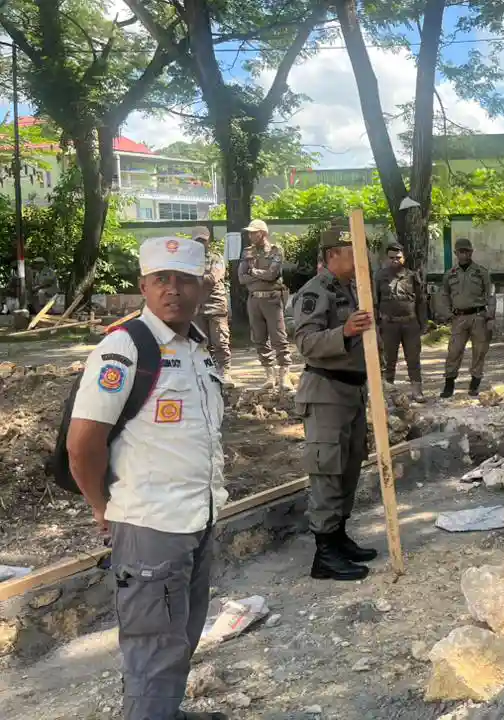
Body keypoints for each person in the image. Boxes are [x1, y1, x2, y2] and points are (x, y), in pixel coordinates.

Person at [67, 236, 228, 720]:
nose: (173, 290)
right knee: (153, 650)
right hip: (150, 524)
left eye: (184, 280)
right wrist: (102, 507)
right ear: (143, 286)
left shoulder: (199, 350)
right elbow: (82, 445)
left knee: (179, 638)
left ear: (202, 288)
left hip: (197, 520)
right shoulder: (125, 347)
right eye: (162, 280)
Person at [292, 227, 379, 582]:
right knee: (328, 470)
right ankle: (324, 554)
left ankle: (339, 537)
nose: (360, 257)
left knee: (349, 467)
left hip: (352, 392)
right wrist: (344, 332)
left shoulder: (351, 289)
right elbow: (306, 342)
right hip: (326, 392)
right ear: (332, 256)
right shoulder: (314, 292)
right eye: (351, 250)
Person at [237, 219, 292, 390]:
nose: (251, 235)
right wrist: (260, 275)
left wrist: (252, 272)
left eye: (254, 232)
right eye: (249, 232)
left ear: (263, 233)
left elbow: (272, 275)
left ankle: (285, 376)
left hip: (272, 299)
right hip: (254, 299)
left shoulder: (276, 250)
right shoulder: (247, 252)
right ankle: (269, 376)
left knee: (279, 338)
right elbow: (241, 278)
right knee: (259, 338)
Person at [440, 238, 495, 398]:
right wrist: (447, 314)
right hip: (459, 318)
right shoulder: (450, 274)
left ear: (471, 252)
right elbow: (444, 295)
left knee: (479, 351)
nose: (464, 254)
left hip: (479, 316)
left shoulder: (481, 272)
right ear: (456, 253)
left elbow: (490, 295)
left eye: (467, 251)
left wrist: (490, 316)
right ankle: (449, 385)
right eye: (461, 251)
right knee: (454, 351)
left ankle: (474, 383)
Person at [375, 242, 427, 400]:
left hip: (410, 324)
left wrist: (422, 323)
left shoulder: (412, 276)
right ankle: (387, 392)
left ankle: (417, 391)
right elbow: (374, 301)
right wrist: (376, 325)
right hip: (389, 325)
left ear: (404, 258)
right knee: (388, 360)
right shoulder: (379, 277)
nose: (394, 260)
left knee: (413, 358)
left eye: (398, 257)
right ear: (386, 258)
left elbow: (421, 301)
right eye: (391, 258)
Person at [192, 227, 232, 378]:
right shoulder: (189, 259)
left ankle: (225, 371)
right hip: (197, 307)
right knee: (201, 344)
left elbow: (212, 279)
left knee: (220, 341)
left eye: (203, 240)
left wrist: (193, 278)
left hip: (215, 305)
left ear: (208, 240)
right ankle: (208, 371)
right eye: (198, 240)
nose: (201, 243)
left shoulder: (216, 258)